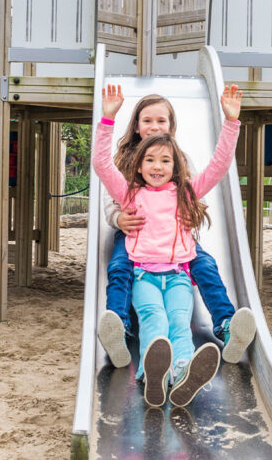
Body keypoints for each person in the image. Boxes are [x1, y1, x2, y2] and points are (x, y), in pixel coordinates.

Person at [91, 84, 243, 407]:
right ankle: (143, 362)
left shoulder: (183, 190)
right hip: (143, 264)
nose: (157, 166)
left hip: (177, 272)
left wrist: (231, 123)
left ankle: (186, 371)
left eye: (165, 161)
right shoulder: (130, 189)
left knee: (179, 321)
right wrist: (106, 119)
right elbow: (103, 166)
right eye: (150, 161)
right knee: (153, 319)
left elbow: (218, 167)